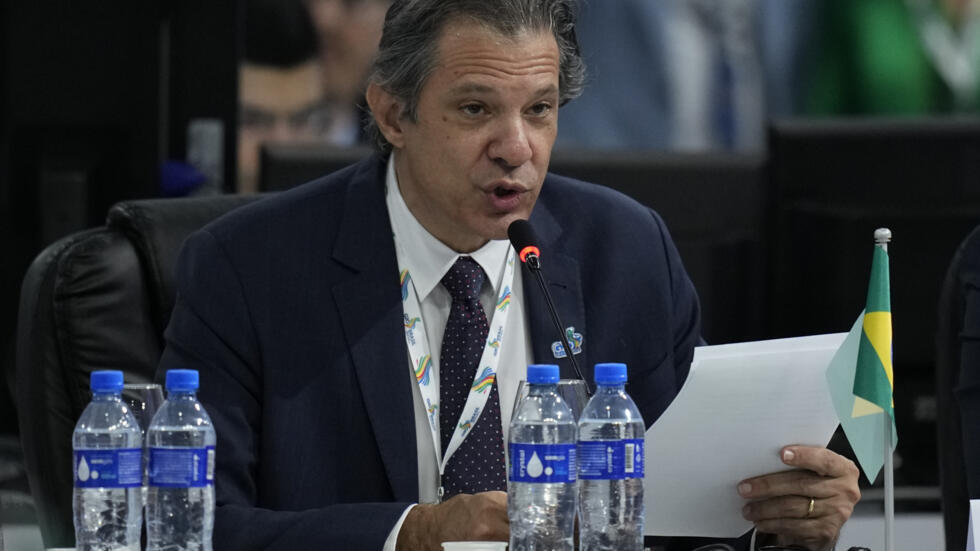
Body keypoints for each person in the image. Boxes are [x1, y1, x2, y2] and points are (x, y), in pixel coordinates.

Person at [159, 1, 860, 550]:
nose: (516, 148)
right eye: (475, 110)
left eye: (540, 110)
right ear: (393, 113)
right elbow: (189, 528)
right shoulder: (249, 267)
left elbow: (690, 517)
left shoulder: (627, 250)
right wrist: (409, 533)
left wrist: (782, 517)